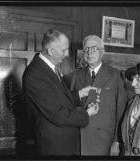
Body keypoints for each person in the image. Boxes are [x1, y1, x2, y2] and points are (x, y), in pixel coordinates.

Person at [22, 28, 99, 156]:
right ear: (51, 51)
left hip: (63, 142)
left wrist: (80, 93)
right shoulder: (36, 74)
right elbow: (58, 115)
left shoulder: (48, 68)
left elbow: (58, 98)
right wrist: (87, 114)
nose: (67, 54)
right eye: (64, 50)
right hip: (55, 146)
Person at [64, 35, 127, 155]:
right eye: (86, 49)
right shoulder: (76, 76)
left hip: (105, 141)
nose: (89, 52)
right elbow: (69, 106)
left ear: (102, 52)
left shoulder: (115, 75)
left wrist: (117, 141)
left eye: (94, 48)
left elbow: (121, 111)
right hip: (80, 139)